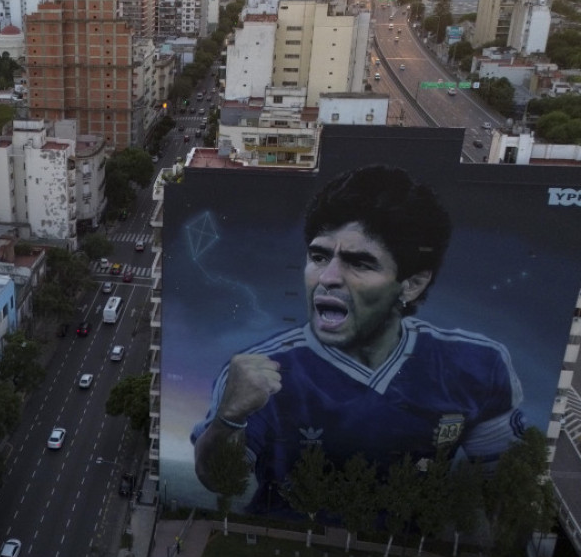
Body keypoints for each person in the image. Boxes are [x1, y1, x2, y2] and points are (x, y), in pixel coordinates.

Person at [191, 165, 526, 513]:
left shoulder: (476, 366)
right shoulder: (259, 372)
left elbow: (503, 488)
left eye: (360, 264)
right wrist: (229, 418)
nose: (328, 277)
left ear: (412, 284)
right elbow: (217, 480)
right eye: (319, 257)